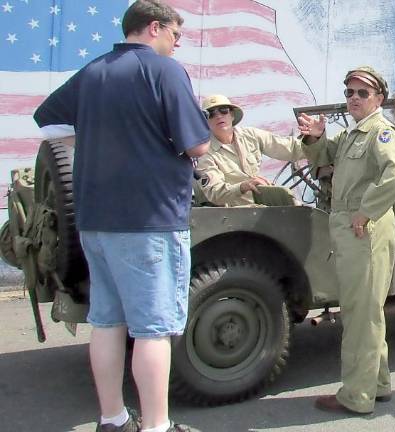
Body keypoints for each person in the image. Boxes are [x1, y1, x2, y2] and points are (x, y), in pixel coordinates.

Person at [33, 1, 210, 431]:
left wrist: (100, 144)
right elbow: (198, 145)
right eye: (174, 34)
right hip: (149, 218)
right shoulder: (166, 71)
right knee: (152, 329)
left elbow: (49, 122)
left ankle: (112, 419)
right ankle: (157, 426)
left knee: (107, 322)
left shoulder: (94, 71)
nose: (177, 42)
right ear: (154, 28)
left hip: (95, 220)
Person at [296, 66, 395, 414]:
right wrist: (314, 138)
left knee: (360, 314)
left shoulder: (381, 132)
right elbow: (323, 155)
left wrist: (366, 211)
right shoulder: (351, 135)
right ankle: (377, 384)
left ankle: (357, 396)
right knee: (367, 312)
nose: (354, 98)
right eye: (349, 93)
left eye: (362, 93)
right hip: (353, 229)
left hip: (365, 230)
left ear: (378, 98)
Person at [196, 94, 305, 206]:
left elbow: (291, 149)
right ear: (205, 122)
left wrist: (316, 139)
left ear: (232, 115)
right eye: (211, 114)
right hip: (234, 215)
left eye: (224, 110)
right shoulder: (204, 152)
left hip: (264, 207)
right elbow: (215, 193)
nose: (218, 116)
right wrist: (243, 186)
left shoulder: (251, 135)